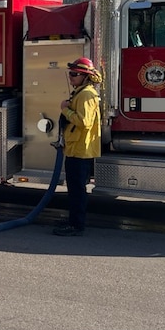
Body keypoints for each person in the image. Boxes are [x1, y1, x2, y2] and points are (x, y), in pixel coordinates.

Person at [54, 57, 101, 237]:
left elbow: (84, 122)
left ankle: (76, 225)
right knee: (74, 190)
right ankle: (73, 220)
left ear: (85, 76)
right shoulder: (82, 92)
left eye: (75, 74)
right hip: (76, 149)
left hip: (80, 151)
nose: (71, 76)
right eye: (70, 73)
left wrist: (65, 109)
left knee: (77, 191)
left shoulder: (86, 95)